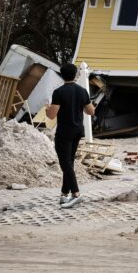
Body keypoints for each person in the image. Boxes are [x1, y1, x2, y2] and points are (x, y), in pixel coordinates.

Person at [46, 63, 95, 209]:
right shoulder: (82, 91)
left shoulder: (58, 92)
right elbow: (90, 112)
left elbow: (52, 115)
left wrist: (47, 109)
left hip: (64, 132)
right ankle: (64, 194)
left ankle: (76, 194)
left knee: (65, 163)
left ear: (62, 75)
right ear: (76, 75)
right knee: (69, 161)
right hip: (78, 130)